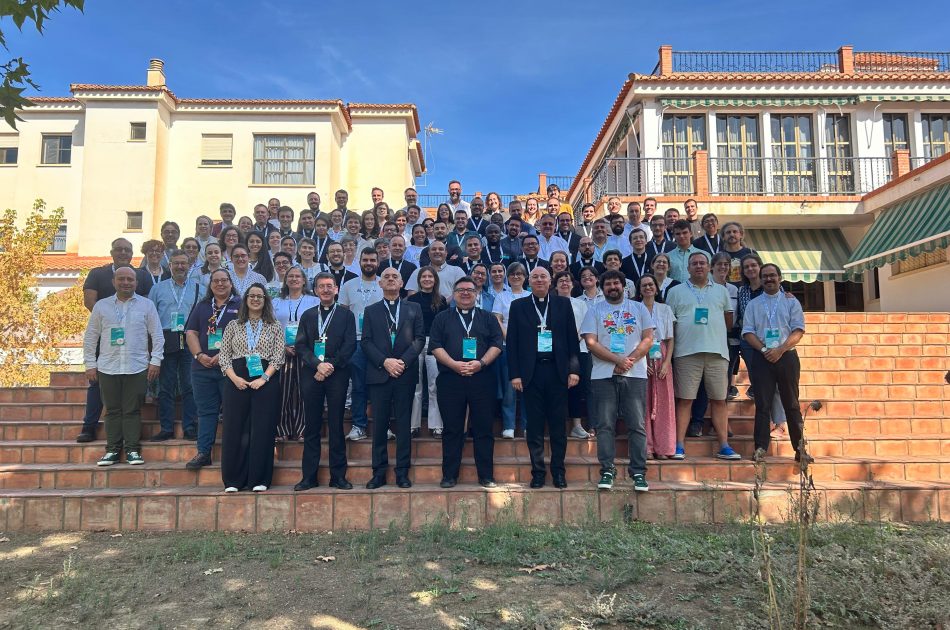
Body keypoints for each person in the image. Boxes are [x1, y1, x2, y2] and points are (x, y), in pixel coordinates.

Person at [507, 267, 580, 488]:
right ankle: (538, 472)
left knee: (558, 425)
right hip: (531, 373)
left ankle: (558, 472)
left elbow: (572, 339)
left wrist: (574, 370)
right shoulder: (518, 306)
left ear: (550, 281)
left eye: (543, 277)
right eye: (535, 277)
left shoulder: (563, 304)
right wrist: (515, 374)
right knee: (535, 426)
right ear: (529, 281)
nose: (539, 280)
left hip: (558, 372)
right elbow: (512, 343)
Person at [83, 266, 164, 466]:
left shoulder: (146, 305)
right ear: (114, 282)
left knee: (132, 410)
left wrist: (155, 361)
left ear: (136, 283)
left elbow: (157, 335)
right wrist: (90, 364)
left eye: (130, 279)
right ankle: (112, 450)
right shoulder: (101, 306)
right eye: (121, 279)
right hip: (107, 367)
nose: (126, 282)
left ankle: (132, 450)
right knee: (112, 410)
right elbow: (91, 337)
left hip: (137, 366)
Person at [581, 269, 654, 491]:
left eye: (616, 283)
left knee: (637, 425)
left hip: (635, 374)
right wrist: (617, 361)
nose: (613, 287)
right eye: (608, 284)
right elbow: (591, 343)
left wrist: (629, 361)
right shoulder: (594, 311)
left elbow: (648, 339)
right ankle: (607, 470)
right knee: (605, 425)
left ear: (624, 286)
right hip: (603, 375)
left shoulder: (639, 308)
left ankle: (638, 472)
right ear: (602, 288)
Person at [430, 276, 504, 488]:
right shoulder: (442, 318)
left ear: (476, 294)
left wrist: (481, 363)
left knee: (484, 428)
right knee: (452, 429)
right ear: (454, 294)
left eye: (469, 290)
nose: (465, 293)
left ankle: (486, 475)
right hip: (450, 379)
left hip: (482, 379)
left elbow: (497, 344)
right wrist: (454, 364)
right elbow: (435, 345)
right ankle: (449, 475)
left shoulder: (488, 318)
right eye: (460, 290)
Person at [665, 252, 740, 461]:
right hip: (686, 353)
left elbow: (728, 321)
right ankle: (678, 445)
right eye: (694, 263)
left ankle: (724, 445)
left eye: (702, 263)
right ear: (688, 268)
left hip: (717, 352)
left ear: (709, 267)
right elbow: (669, 323)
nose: (699, 266)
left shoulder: (721, 291)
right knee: (685, 400)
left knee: (719, 400)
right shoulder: (676, 291)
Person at [361, 267, 425, 488]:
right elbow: (366, 342)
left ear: (401, 283)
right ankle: (378, 473)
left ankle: (402, 472)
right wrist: (385, 362)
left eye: (394, 277)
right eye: (386, 277)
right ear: (380, 284)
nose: (390, 279)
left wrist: (402, 362)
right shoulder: (371, 310)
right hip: (379, 374)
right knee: (379, 425)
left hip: (405, 374)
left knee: (404, 424)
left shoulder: (414, 308)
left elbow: (419, 339)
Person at [294, 272, 358, 491]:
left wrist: (329, 366)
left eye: (330, 286)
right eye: (321, 286)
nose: (326, 290)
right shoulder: (308, 315)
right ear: (316, 290)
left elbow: (350, 345)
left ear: (336, 289)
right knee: (312, 425)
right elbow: (301, 345)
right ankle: (309, 477)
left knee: (336, 424)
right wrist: (317, 365)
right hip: (312, 373)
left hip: (337, 374)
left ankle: (338, 476)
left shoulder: (346, 315)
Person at [742, 264, 812, 464]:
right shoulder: (753, 304)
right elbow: (748, 332)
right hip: (762, 357)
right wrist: (765, 350)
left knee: (792, 404)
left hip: (786, 356)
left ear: (780, 278)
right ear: (761, 279)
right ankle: (760, 449)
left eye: (772, 275)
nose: (769, 279)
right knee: (763, 405)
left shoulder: (791, 302)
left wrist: (780, 349)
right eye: (765, 276)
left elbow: (798, 330)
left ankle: (800, 450)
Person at [218, 283, 285, 492]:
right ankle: (233, 480)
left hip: (265, 381)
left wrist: (263, 378)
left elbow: (278, 357)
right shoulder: (233, 325)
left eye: (260, 296)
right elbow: (224, 357)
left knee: (262, 429)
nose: (256, 299)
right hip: (236, 379)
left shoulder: (274, 325)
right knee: (234, 428)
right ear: (246, 299)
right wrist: (235, 378)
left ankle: (259, 479)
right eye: (252, 296)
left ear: (265, 300)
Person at [76, 238, 134, 443]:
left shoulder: (138, 275)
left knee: (129, 382)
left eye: (127, 250)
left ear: (132, 254)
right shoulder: (97, 274)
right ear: (111, 252)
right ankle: (89, 426)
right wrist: (112, 320)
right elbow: (89, 302)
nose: (123, 253)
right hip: (105, 334)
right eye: (119, 249)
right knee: (97, 382)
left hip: (131, 339)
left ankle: (127, 430)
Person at [184, 269, 240, 469]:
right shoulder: (202, 306)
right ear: (211, 285)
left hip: (230, 369)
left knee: (233, 412)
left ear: (231, 283)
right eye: (216, 281)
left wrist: (224, 354)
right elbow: (191, 332)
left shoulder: (240, 305)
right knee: (206, 412)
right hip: (202, 368)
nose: (220, 284)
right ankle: (203, 453)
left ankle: (233, 454)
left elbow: (246, 334)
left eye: (224, 280)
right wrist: (199, 355)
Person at [148, 250, 201, 442]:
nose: (180, 267)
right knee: (166, 386)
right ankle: (166, 428)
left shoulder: (200, 288)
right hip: (166, 339)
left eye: (183, 263)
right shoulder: (157, 289)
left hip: (190, 339)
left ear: (189, 265)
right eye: (176, 263)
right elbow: (150, 317)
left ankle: (190, 427)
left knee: (190, 386)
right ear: (169, 266)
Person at [339, 248, 384, 441]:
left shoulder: (384, 283)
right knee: (358, 386)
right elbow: (342, 315)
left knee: (381, 386)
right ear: (359, 262)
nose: (369, 263)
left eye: (372, 260)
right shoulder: (348, 285)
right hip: (356, 342)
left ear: (378, 262)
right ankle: (359, 425)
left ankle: (382, 426)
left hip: (379, 343)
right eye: (365, 260)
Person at [273, 266, 320, 441]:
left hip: (305, 352)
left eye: (297, 276)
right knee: (282, 393)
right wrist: (282, 346)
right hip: (282, 351)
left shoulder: (313, 301)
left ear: (304, 280)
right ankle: (282, 429)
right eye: (290, 276)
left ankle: (302, 429)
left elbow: (318, 326)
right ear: (285, 280)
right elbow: (271, 327)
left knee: (304, 391)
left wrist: (304, 347)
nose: (294, 279)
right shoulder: (276, 302)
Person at [638, 274, 676, 460]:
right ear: (639, 289)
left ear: (656, 287)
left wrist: (667, 363)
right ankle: (647, 447)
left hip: (661, 355)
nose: (648, 288)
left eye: (651, 284)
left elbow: (670, 339)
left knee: (664, 402)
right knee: (643, 403)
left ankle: (664, 447)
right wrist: (641, 361)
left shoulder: (665, 309)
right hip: (640, 355)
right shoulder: (635, 308)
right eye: (644, 285)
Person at [407, 266, 448, 438]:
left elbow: (444, 325)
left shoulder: (441, 300)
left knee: (434, 385)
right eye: (424, 276)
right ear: (419, 280)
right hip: (415, 342)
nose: (427, 279)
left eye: (430, 277)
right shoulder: (411, 300)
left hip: (434, 343)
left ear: (435, 280)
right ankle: (413, 426)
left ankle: (436, 426)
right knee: (415, 385)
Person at [554, 271, 592, 439]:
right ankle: (558, 425)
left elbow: (586, 324)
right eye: (561, 281)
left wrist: (572, 340)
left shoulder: (581, 304)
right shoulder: (551, 303)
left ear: (572, 284)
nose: (564, 283)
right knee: (558, 389)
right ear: (555, 286)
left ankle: (577, 426)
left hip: (579, 349)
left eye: (567, 280)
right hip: (557, 352)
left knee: (577, 389)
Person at [492, 262, 528, 438]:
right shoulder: (501, 297)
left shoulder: (530, 295)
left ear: (525, 277)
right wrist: (511, 340)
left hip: (529, 348)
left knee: (528, 387)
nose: (516, 276)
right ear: (508, 277)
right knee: (509, 388)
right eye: (512, 274)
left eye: (519, 273)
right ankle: (509, 425)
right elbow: (497, 319)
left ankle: (528, 425)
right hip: (507, 347)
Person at [668, 220, 707, 284]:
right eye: (678, 234)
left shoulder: (704, 255)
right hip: (674, 290)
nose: (681, 236)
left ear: (691, 233)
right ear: (673, 236)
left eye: (685, 233)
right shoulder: (668, 257)